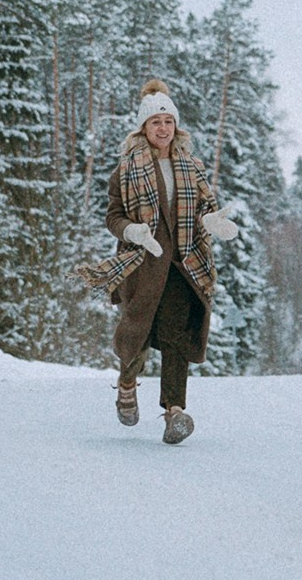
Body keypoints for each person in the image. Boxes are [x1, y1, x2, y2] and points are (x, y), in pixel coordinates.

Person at [77, 79, 239, 444]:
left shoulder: (192, 167)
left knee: (175, 335)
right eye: (155, 122)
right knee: (137, 334)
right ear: (143, 128)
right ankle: (127, 384)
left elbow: (205, 209)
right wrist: (132, 232)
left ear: (176, 126)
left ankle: (174, 412)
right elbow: (113, 217)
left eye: (168, 121)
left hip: (183, 265)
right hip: (142, 265)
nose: (162, 128)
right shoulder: (125, 171)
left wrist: (210, 222)